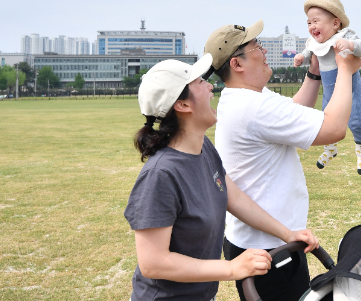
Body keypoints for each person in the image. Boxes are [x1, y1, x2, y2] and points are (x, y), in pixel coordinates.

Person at [124, 54, 319, 301]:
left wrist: (287, 233)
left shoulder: (203, 147)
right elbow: (154, 263)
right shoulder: (161, 175)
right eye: (199, 83)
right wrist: (231, 268)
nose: (211, 86)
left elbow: (233, 197)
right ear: (183, 105)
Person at [203, 20, 360, 301]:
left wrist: (314, 75)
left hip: (259, 242)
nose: (263, 51)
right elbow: (334, 128)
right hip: (271, 251)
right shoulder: (254, 106)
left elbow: (293, 111)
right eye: (256, 47)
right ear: (237, 64)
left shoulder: (243, 96)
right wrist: (346, 70)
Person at [293, 0, 361, 174]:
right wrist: (301, 57)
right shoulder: (315, 42)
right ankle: (330, 150)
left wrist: (350, 45)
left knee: (357, 120)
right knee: (325, 121)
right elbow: (309, 52)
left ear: (335, 24)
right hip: (329, 90)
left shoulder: (345, 35)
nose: (311, 27)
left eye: (316, 21)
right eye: (308, 23)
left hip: (350, 90)